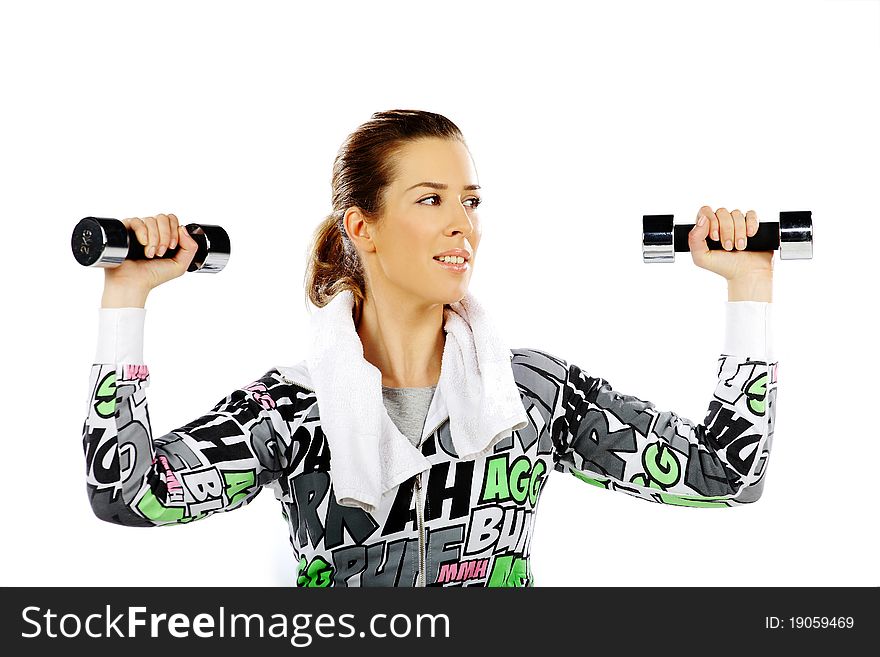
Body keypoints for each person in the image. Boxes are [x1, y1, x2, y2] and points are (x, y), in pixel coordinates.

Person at [82, 109, 778, 587]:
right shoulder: (290, 409)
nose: (461, 227)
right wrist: (127, 297)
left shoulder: (531, 394)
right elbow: (125, 493)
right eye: (430, 200)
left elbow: (727, 473)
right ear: (364, 226)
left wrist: (749, 285)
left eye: (470, 202)